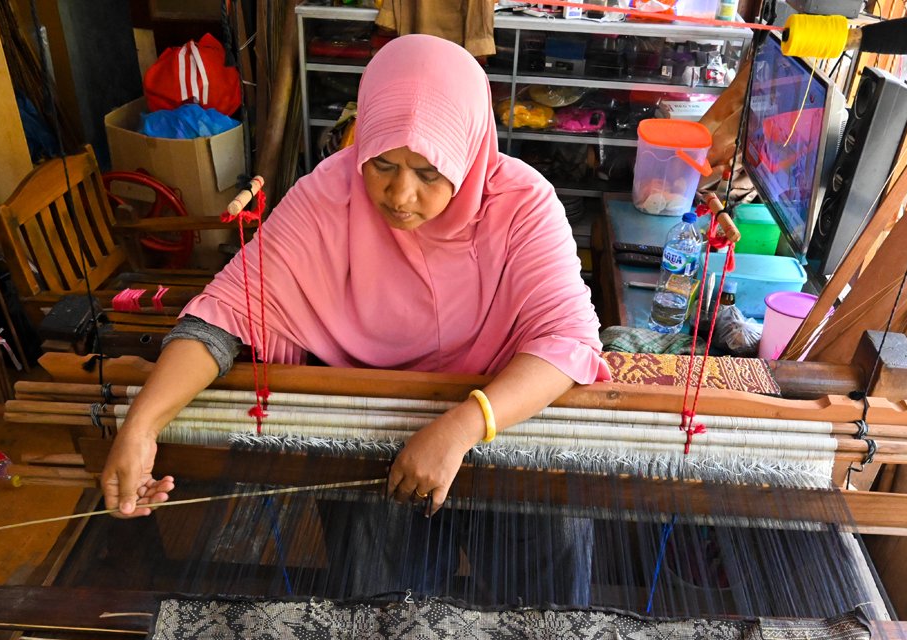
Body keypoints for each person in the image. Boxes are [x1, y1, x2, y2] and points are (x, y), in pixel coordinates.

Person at [100, 34, 609, 604]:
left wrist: (463, 426)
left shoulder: (522, 204)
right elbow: (223, 315)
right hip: (369, 426)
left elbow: (567, 338)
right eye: (383, 163)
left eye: (429, 172)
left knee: (545, 598)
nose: (400, 195)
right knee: (383, 608)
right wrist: (140, 427)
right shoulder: (329, 195)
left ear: (469, 153)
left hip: (505, 417)